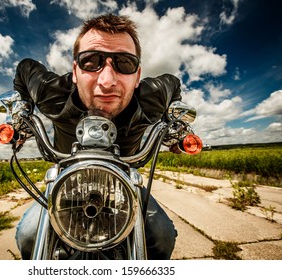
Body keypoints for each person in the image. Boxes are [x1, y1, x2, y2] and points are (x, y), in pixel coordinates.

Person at [14, 14, 182, 260]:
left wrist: (174, 122)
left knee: (162, 238)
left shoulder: (152, 97)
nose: (107, 81)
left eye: (125, 63)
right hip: (66, 181)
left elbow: (173, 84)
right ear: (74, 71)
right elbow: (24, 69)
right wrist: (22, 111)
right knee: (27, 237)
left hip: (125, 183)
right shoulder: (51, 92)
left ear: (137, 76)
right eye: (91, 61)